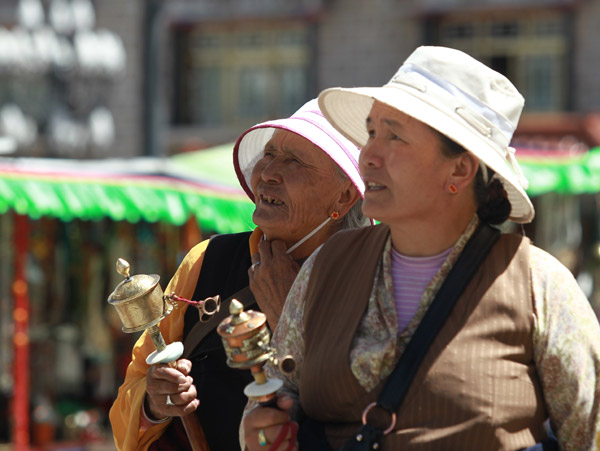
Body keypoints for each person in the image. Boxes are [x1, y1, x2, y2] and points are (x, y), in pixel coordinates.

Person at [242, 46, 600, 450]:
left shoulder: (537, 285)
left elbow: (588, 436)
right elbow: (274, 400)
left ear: (459, 170)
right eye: (372, 132)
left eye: (394, 136)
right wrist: (262, 431)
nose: (367, 156)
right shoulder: (327, 266)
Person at [109, 99, 371, 450]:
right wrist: (155, 403)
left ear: (344, 196)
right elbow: (133, 391)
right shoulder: (208, 260)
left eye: (293, 161)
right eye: (270, 154)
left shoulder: (368, 279)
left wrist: (287, 313)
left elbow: (363, 407)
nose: (267, 173)